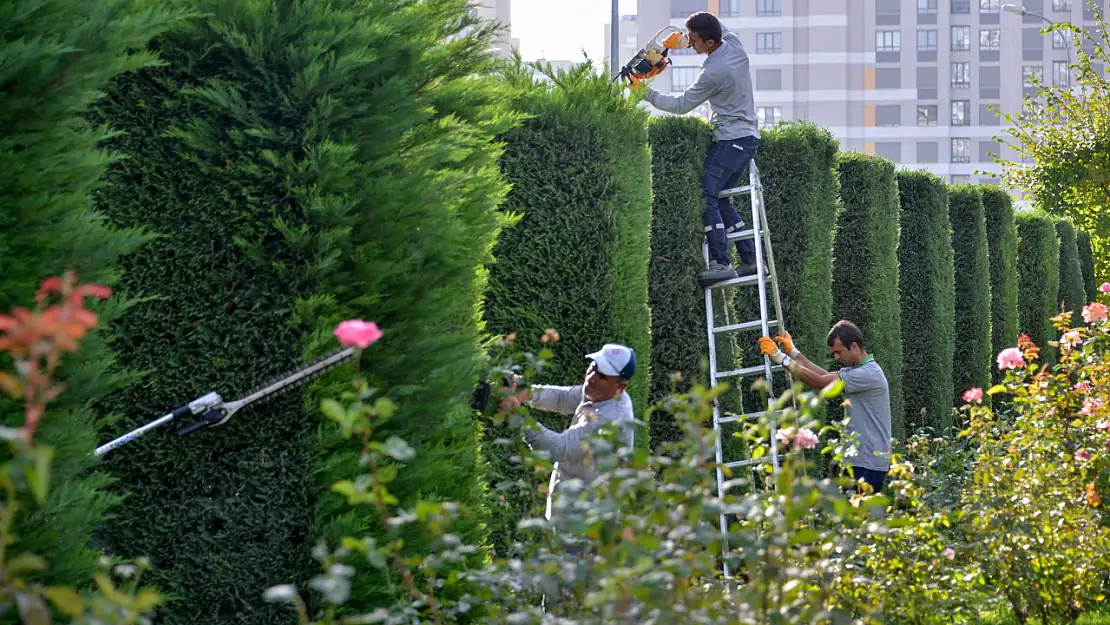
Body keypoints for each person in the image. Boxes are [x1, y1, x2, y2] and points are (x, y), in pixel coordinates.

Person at [641, 11, 761, 286]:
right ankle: (751, 258)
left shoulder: (714, 72)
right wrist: (678, 40)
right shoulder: (733, 44)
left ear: (709, 43)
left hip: (732, 139)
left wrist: (644, 92)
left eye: (693, 40)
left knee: (706, 191)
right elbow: (721, 26)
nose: (690, 44)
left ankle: (721, 262)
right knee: (721, 196)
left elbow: (682, 105)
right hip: (745, 138)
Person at [502, 343, 637, 523]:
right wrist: (526, 392)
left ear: (621, 386)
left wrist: (518, 416)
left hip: (588, 520)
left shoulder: (610, 418)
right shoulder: (597, 392)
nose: (591, 378)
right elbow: (561, 398)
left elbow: (557, 448)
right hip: (566, 506)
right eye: (593, 368)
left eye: (602, 375)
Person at [758, 321, 892, 493]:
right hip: (859, 460)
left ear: (854, 346)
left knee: (858, 517)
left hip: (868, 463)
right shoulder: (857, 369)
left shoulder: (868, 374)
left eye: (839, 352)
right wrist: (793, 352)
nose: (836, 357)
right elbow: (824, 375)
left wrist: (780, 358)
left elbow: (820, 382)